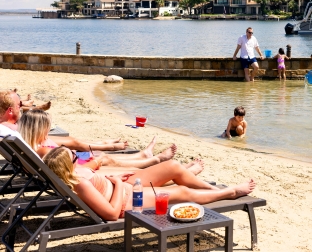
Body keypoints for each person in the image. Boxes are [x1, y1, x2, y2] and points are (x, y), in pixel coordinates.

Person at [44, 146, 256, 221]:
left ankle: (208, 187)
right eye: (74, 156)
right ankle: (228, 192)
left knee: (171, 166)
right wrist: (117, 183)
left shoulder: (77, 172)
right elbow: (110, 213)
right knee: (180, 191)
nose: (77, 156)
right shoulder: (80, 185)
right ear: (67, 166)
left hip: (123, 187)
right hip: (125, 200)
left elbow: (92, 170)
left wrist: (117, 174)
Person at [18, 109, 180, 171]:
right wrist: (94, 162)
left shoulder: (32, 145)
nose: (48, 129)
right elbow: (69, 169)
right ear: (37, 130)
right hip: (77, 167)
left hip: (74, 160)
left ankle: (143, 155)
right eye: (46, 127)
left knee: (101, 155)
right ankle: (153, 159)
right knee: (104, 158)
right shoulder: (43, 150)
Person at [0, 89, 128, 151]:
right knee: (74, 142)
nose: (20, 108)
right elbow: (30, 131)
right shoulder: (11, 127)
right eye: (19, 106)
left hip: (32, 140)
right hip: (35, 142)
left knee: (73, 140)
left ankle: (103, 142)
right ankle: (109, 146)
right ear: (10, 111)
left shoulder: (6, 125)